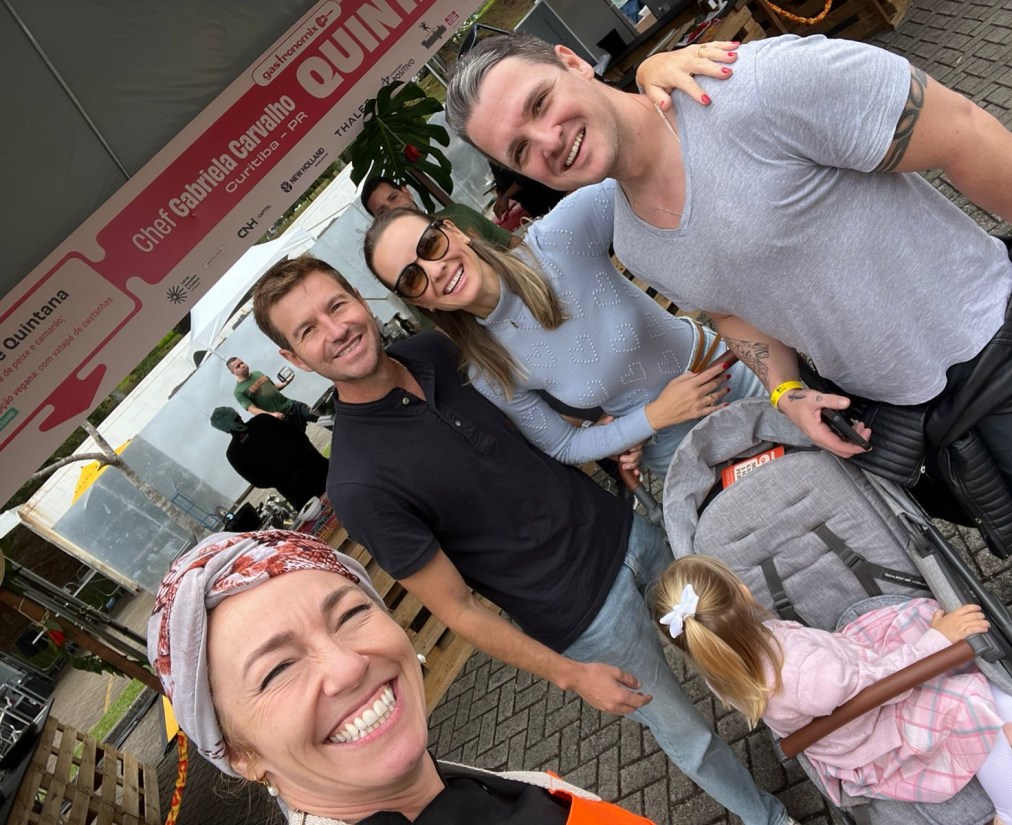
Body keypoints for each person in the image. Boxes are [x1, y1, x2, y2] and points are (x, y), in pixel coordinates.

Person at [445, 34, 1012, 612]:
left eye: (540, 104)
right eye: (520, 149)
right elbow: (731, 312)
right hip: (895, 403)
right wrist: (786, 391)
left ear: (572, 61)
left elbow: (956, 127)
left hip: (990, 346)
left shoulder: (749, 88)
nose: (548, 141)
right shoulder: (634, 239)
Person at [248, 256, 798, 825]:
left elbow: (529, 425)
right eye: (308, 330)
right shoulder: (357, 482)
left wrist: (603, 439)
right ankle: (772, 820)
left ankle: (821, 739)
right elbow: (458, 609)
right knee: (688, 735)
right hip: (585, 621)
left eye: (336, 305)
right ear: (294, 359)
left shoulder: (435, 349)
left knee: (741, 645)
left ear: (360, 300)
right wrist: (569, 675)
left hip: (628, 532)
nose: (336, 329)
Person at [147, 529, 664, 825]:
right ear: (240, 754)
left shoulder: (473, 788)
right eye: (278, 668)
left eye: (351, 614)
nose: (348, 666)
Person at [653, 555, 1012, 825]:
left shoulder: (723, 666)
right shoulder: (805, 674)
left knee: (918, 616)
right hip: (870, 730)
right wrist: (935, 644)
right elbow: (880, 687)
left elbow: (850, 677)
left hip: (848, 687)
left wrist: (929, 636)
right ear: (742, 592)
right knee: (960, 697)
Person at [363, 184, 764, 478]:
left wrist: (722, 295)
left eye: (430, 244)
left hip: (731, 375)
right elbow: (564, 445)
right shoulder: (489, 368)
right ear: (420, 303)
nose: (434, 270)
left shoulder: (556, 241)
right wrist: (652, 418)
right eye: (412, 278)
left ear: (455, 231)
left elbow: (644, 179)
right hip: (672, 450)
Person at [209, 407, 328, 510]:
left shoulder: (233, 453)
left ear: (224, 429)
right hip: (313, 466)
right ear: (237, 414)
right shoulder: (262, 420)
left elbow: (258, 481)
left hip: (294, 488)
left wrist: (281, 479)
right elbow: (296, 433)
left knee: (322, 516)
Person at [360, 176, 519, 249]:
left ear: (406, 192)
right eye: (382, 211)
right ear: (378, 222)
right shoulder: (407, 264)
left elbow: (511, 242)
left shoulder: (458, 213)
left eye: (393, 198)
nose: (393, 209)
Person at [227, 356, 315, 431]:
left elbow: (274, 388)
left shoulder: (257, 373)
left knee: (316, 414)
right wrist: (272, 415)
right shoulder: (238, 391)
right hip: (281, 418)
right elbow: (253, 409)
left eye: (242, 363)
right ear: (233, 372)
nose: (242, 366)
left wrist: (285, 383)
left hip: (292, 405)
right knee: (300, 441)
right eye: (238, 366)